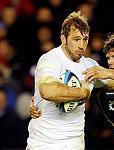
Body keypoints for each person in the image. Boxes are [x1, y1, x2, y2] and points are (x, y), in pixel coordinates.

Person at [30, 30, 114, 149]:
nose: (109, 62)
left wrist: (108, 73)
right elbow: (69, 91)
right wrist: (38, 104)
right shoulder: (102, 87)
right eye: (108, 58)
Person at [26, 11, 98, 150]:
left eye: (85, 39)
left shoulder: (91, 66)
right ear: (63, 39)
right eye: (76, 39)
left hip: (74, 142)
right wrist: (82, 93)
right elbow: (47, 91)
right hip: (43, 142)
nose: (82, 45)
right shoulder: (50, 59)